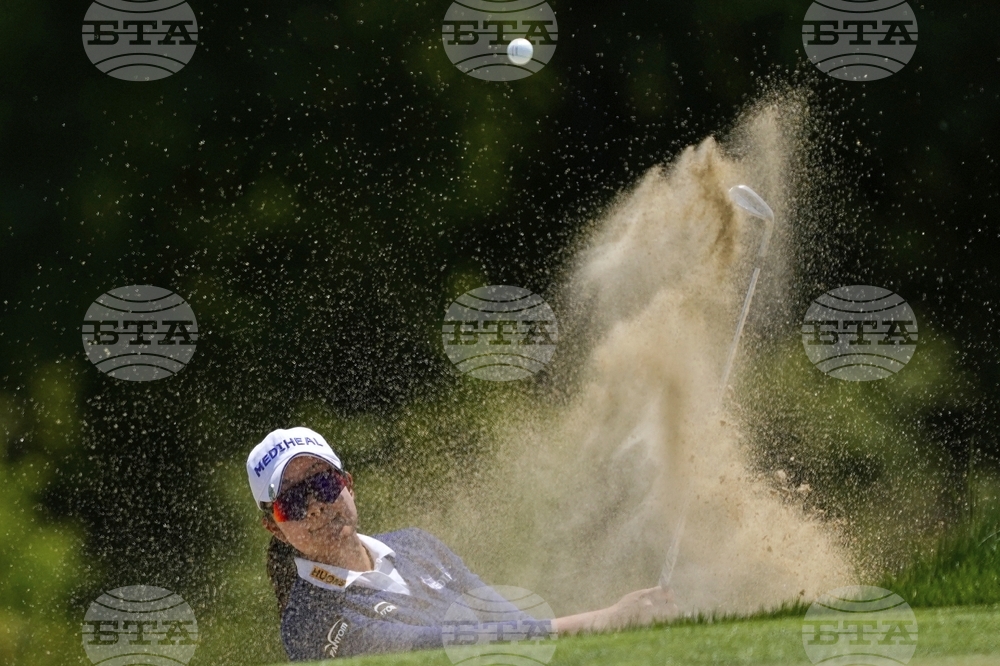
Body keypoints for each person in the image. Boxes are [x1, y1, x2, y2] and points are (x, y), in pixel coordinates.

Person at [247, 426, 678, 661]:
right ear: (275, 527)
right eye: (293, 502)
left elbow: (513, 625)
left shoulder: (416, 545)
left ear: (348, 484)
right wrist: (605, 619)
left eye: (323, 484)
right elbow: (438, 650)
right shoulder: (307, 623)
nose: (316, 507)